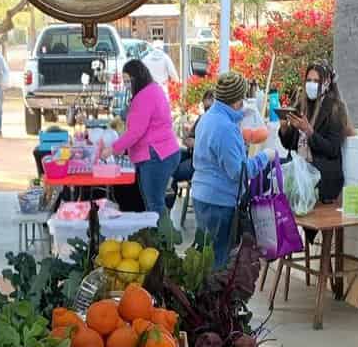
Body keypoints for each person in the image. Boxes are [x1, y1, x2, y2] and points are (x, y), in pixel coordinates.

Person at [191, 70, 269, 268]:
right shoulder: (225, 127)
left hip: (201, 196)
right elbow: (239, 172)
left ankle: (204, 297)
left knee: (205, 257)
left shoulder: (207, 118)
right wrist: (264, 158)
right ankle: (214, 299)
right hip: (219, 201)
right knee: (218, 261)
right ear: (236, 100)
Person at [108, 59, 182, 214]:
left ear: (137, 77)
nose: (127, 85)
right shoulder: (153, 89)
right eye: (125, 81)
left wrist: (113, 149)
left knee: (154, 204)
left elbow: (135, 132)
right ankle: (157, 235)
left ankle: (161, 237)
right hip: (164, 153)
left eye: (129, 81)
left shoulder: (144, 96)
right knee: (153, 203)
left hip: (156, 155)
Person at [278, 60, 348, 205]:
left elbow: (332, 149)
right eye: (309, 80)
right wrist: (285, 128)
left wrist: (309, 132)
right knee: (270, 167)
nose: (311, 84)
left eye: (316, 81)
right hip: (300, 170)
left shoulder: (335, 108)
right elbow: (291, 145)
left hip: (323, 175)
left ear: (327, 82)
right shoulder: (301, 103)